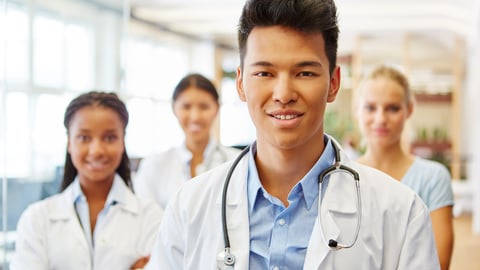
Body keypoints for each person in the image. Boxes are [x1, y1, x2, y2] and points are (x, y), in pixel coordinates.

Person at [146, 0, 440, 269]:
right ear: (240, 83)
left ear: (334, 83)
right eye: (264, 73)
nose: (284, 94)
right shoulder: (188, 206)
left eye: (305, 73)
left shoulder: (401, 213)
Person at [10, 91, 163, 270]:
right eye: (84, 138)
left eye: (110, 137)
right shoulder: (37, 219)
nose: (96, 150)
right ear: (69, 143)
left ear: (123, 142)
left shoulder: (151, 218)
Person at [353, 64, 454, 270]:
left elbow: (437, 264)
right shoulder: (341, 175)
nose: (381, 119)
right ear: (357, 110)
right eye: (371, 107)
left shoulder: (433, 178)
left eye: (393, 108)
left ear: (409, 109)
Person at [134, 73, 241, 209]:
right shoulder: (153, 166)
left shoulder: (238, 163)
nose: (195, 117)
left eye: (204, 107)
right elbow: (147, 222)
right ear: (174, 108)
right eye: (186, 107)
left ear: (217, 109)